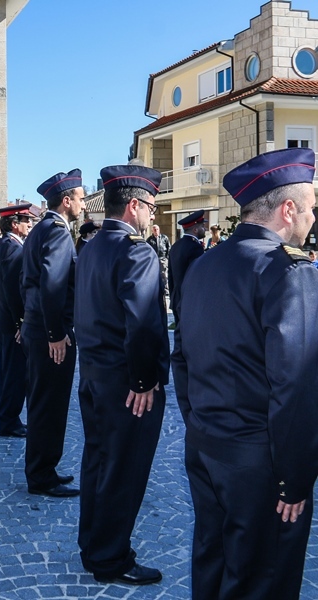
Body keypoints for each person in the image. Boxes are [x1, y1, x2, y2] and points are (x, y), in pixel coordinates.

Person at [172, 148, 318, 600]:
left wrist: (199, 423)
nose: (314, 218)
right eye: (312, 207)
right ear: (288, 209)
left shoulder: (203, 264)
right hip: (262, 461)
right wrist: (294, 477)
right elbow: (295, 383)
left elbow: (181, 358)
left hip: (206, 446)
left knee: (213, 565)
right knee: (263, 579)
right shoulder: (289, 272)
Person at [74, 164, 168, 586]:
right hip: (127, 383)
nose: (154, 215)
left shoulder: (92, 247)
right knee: (124, 469)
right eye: (151, 206)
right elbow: (144, 323)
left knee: (97, 461)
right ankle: (111, 558)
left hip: (93, 375)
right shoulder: (136, 251)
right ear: (133, 205)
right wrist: (145, 381)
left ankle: (92, 545)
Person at [21, 169, 85, 497]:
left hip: (36, 328)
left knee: (42, 403)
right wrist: (55, 333)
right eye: (81, 198)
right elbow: (52, 285)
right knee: (50, 405)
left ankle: (43, 468)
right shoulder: (57, 231)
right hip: (50, 334)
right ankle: (41, 475)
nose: (84, 204)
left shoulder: (39, 229)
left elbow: (26, 284)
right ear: (66, 200)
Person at [0, 203, 33, 438]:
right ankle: (9, 421)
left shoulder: (9, 244)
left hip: (7, 322)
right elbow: (10, 290)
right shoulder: (11, 248)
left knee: (11, 372)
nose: (29, 225)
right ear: (15, 224)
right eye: (26, 221)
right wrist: (21, 322)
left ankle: (9, 418)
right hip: (11, 324)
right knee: (13, 374)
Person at [167, 210, 206, 326]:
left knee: (180, 336)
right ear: (195, 229)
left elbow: (171, 277)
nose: (205, 229)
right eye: (202, 226)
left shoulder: (176, 246)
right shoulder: (195, 248)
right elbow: (198, 277)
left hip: (177, 298)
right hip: (191, 300)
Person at [146, 224, 170, 305]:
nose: (156, 230)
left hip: (162, 259)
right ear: (152, 230)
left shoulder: (164, 238)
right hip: (153, 259)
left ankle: (166, 289)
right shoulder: (149, 240)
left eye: (157, 229)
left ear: (159, 230)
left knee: (164, 275)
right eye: (154, 229)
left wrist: (167, 258)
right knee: (154, 275)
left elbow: (168, 247)